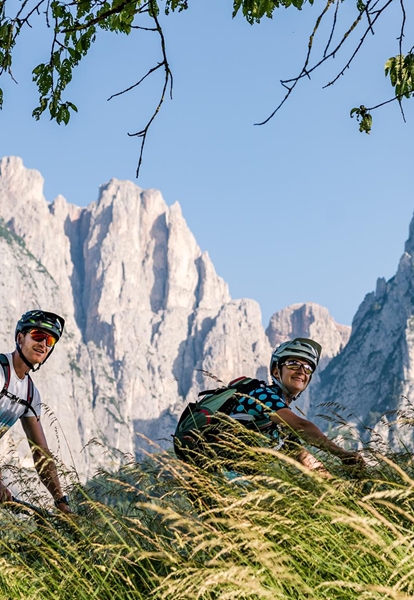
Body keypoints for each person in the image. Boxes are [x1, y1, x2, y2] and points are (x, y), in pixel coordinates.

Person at [228, 337, 364, 475]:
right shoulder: (261, 395)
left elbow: (307, 461)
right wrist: (342, 453)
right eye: (293, 364)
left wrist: (339, 489)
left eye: (307, 368)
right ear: (276, 372)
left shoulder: (280, 428)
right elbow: (301, 427)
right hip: (217, 477)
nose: (301, 371)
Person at [0, 310, 71, 513]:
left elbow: (41, 454)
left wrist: (61, 501)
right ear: (20, 338)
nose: (43, 344)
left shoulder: (31, 395)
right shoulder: (1, 371)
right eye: (38, 336)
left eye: (50, 341)